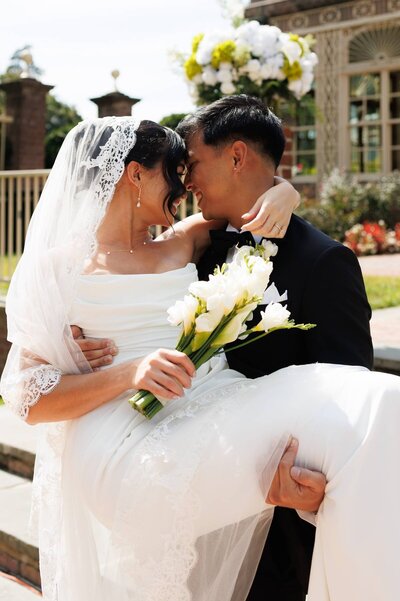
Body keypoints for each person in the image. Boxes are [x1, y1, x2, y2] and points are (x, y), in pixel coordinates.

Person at [1, 115, 399, 601]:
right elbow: (27, 401)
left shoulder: (184, 240)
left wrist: (285, 192)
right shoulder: (56, 269)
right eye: (173, 170)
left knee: (381, 403)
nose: (184, 184)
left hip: (214, 408)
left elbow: (244, 190)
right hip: (124, 444)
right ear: (135, 175)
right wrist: (128, 374)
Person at [174, 94, 373, 601]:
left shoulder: (324, 263)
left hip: (276, 527)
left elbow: (347, 397)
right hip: (195, 504)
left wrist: (298, 485)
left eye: (193, 162)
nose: (185, 180)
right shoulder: (194, 245)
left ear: (237, 156)